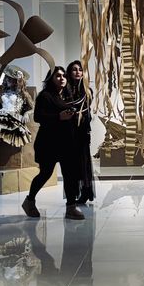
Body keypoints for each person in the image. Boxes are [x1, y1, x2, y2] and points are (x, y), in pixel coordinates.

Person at [22, 66, 85, 220]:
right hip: (48, 143)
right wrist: (59, 116)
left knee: (69, 174)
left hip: (66, 142)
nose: (62, 78)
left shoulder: (65, 95)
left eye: (63, 76)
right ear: (51, 79)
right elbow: (38, 117)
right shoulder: (45, 96)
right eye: (58, 76)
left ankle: (71, 207)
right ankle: (29, 201)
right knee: (45, 173)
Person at [63, 60, 95, 207]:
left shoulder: (87, 91)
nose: (77, 72)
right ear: (69, 72)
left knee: (83, 160)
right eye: (74, 69)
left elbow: (85, 109)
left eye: (80, 70)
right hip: (68, 131)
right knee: (71, 163)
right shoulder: (65, 90)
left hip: (82, 130)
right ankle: (73, 193)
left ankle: (86, 190)